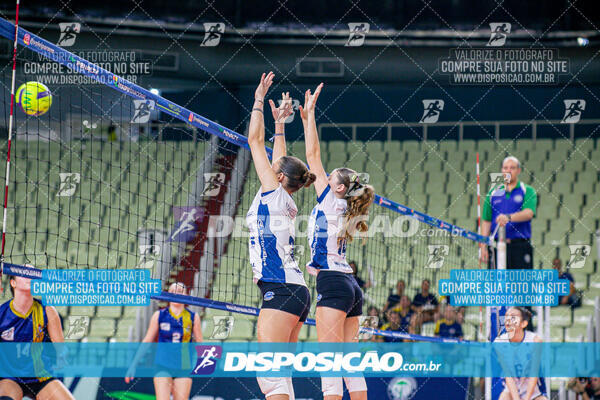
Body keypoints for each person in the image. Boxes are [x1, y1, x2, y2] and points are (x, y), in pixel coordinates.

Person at [303, 82, 375, 400]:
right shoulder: (345, 205)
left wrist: (310, 116)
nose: (325, 177)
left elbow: (312, 154)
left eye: (331, 176)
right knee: (350, 362)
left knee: (329, 363)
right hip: (350, 285)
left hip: (333, 282)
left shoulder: (332, 200)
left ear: (339, 187)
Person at [246, 72, 315, 400]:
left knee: (271, 378)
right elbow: (280, 161)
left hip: (281, 288)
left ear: (278, 176)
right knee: (280, 377)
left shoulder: (274, 193)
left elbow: (254, 142)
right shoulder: (283, 196)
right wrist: (281, 125)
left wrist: (259, 99)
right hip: (295, 291)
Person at [0, 274, 75, 400]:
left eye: (31, 274)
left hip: (40, 377)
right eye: (23, 274)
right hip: (11, 377)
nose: (29, 276)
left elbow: (61, 348)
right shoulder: (2, 314)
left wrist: (61, 354)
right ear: (13, 283)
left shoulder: (47, 310)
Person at [125, 282, 202, 400]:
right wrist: (133, 365)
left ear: (186, 295)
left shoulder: (193, 317)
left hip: (184, 366)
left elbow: (200, 344)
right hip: (163, 365)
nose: (176, 294)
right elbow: (147, 341)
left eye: (180, 291)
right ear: (167, 295)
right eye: (173, 291)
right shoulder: (159, 315)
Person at [480, 156, 537, 269]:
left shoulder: (527, 190)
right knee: (496, 285)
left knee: (522, 285)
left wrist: (508, 217)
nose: (508, 170)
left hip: (520, 246)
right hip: (496, 246)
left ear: (518, 170)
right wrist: (483, 247)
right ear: (502, 170)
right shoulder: (493, 192)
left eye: (512, 168)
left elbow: (529, 213)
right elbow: (486, 221)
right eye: (505, 168)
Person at [494, 306, 547, 400]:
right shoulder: (499, 342)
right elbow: (508, 376)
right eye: (506, 316)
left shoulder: (535, 341)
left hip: (533, 392)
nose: (508, 320)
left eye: (513, 317)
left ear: (523, 323)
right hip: (511, 391)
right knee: (503, 398)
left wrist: (526, 398)